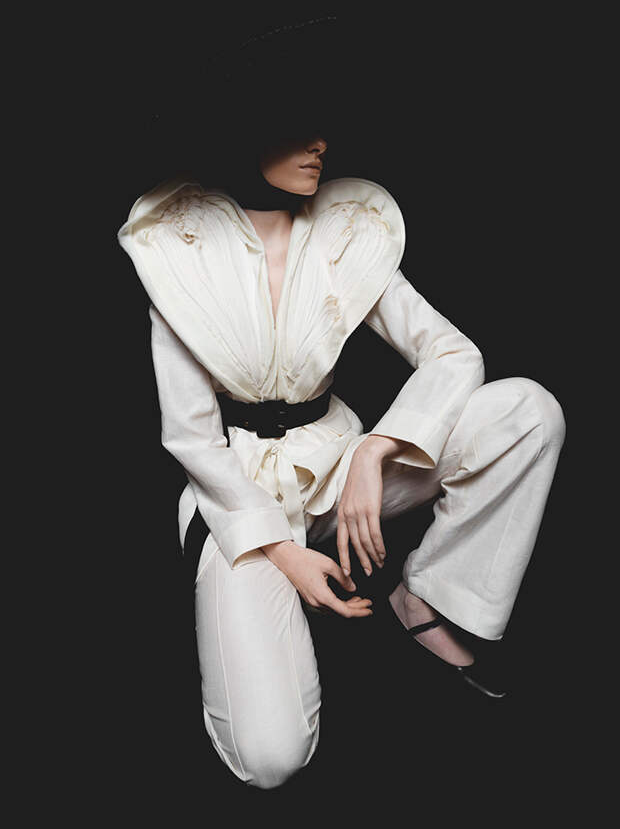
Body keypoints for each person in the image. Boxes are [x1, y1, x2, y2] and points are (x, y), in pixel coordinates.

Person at [117, 129, 567, 790]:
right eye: (293, 127)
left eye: (318, 123)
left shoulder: (345, 233)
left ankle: (427, 597)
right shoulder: (178, 248)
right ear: (241, 133)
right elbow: (192, 440)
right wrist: (285, 554)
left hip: (338, 469)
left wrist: (376, 450)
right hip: (239, 501)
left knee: (529, 411)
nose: (319, 142)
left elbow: (453, 353)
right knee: (271, 757)